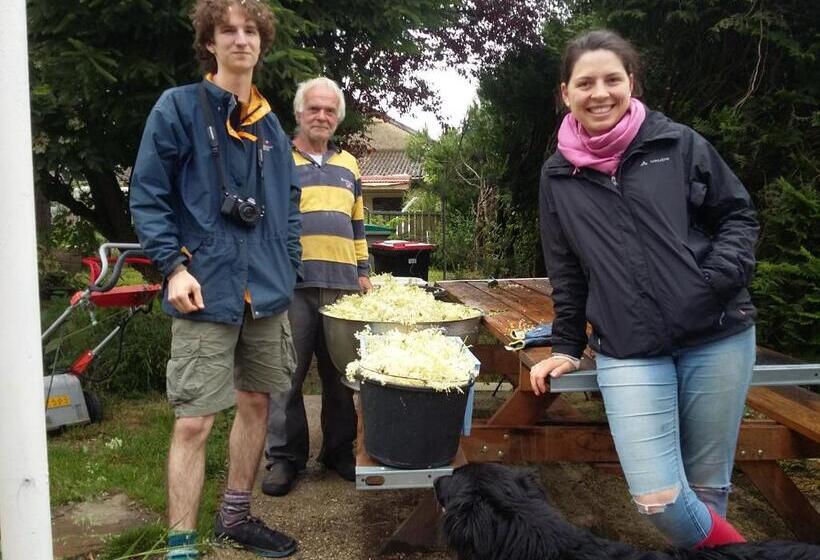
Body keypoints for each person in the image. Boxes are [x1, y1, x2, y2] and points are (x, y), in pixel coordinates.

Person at [531, 29, 758, 549]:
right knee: (659, 496)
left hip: (717, 336)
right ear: (565, 92)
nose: (600, 92)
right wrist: (567, 346)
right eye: (585, 82)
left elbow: (737, 216)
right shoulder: (557, 175)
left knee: (705, 490)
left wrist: (712, 281)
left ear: (631, 82)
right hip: (629, 347)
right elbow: (564, 268)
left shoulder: (676, 143)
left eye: (613, 79)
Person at [129, 1, 301, 557]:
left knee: (256, 405)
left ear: (261, 42)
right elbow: (149, 195)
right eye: (227, 30)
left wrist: (287, 263)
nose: (240, 39)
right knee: (193, 422)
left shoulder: (272, 124)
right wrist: (172, 267)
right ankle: (181, 543)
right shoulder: (179, 107)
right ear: (209, 41)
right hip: (203, 287)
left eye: (250, 30)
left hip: (266, 293)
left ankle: (236, 516)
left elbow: (286, 207)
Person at [262, 77, 372, 497]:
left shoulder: (350, 165)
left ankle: (339, 451)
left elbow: (357, 222)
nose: (322, 116)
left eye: (330, 110)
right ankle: (285, 459)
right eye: (314, 109)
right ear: (299, 114)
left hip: (343, 286)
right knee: (285, 375)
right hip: (293, 285)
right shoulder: (278, 159)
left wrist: (363, 270)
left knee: (342, 377)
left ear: (337, 117)